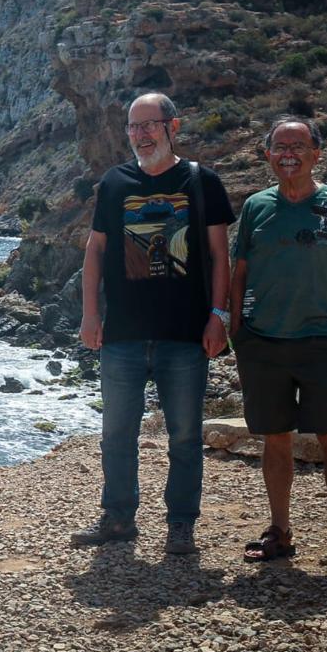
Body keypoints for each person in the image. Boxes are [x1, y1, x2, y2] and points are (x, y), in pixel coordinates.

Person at [73, 92, 234, 554]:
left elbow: (221, 255)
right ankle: (119, 518)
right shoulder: (115, 182)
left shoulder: (203, 182)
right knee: (116, 433)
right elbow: (96, 251)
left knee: (184, 434)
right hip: (123, 334)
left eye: (150, 125)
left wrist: (218, 316)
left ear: (173, 127)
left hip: (184, 335)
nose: (141, 135)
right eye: (133, 127)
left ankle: (181, 523)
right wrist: (90, 314)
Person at [232, 116, 327, 573]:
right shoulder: (256, 207)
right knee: (274, 438)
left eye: (299, 146)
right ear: (267, 155)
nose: (289, 154)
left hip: (325, 341)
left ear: (316, 154)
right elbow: (240, 270)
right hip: (263, 341)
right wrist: (236, 331)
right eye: (280, 146)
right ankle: (279, 531)